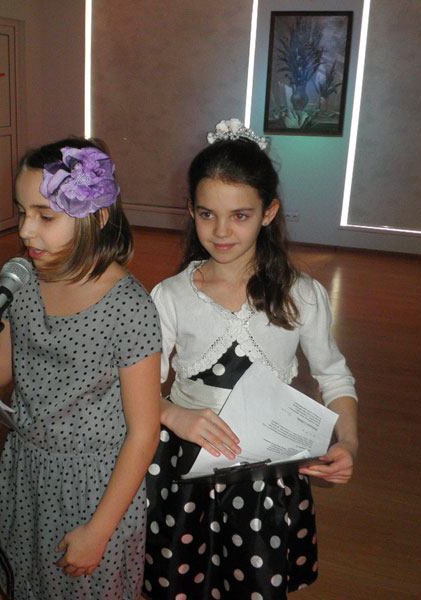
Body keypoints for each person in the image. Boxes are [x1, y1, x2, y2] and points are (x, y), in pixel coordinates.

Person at [0, 137, 162, 600]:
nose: (25, 230)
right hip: (27, 465)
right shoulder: (20, 284)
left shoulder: (130, 308)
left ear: (97, 217)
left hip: (94, 485)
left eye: (45, 216)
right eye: (21, 212)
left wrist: (99, 530)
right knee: (32, 579)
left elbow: (144, 432)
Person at [142, 119, 358, 600]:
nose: (221, 231)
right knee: (182, 580)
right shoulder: (171, 295)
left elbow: (334, 376)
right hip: (184, 468)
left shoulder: (302, 294)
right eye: (207, 214)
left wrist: (349, 442)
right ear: (191, 211)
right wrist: (172, 414)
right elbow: (140, 389)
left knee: (253, 581)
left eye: (240, 215)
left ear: (268, 212)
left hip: (265, 473)